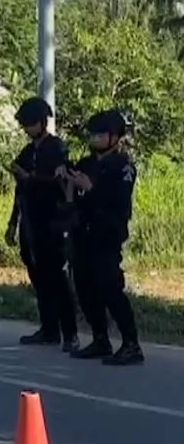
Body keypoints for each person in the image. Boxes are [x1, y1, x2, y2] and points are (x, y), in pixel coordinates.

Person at [62, 109, 144, 366]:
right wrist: (67, 182)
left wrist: (91, 189)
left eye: (100, 134)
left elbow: (118, 201)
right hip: (82, 232)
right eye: (92, 134)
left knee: (110, 288)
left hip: (107, 233)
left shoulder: (123, 167)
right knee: (84, 287)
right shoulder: (86, 163)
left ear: (114, 138)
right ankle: (100, 338)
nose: (94, 138)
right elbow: (72, 194)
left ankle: (131, 344)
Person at [6, 96, 78, 352]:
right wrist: (13, 223)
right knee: (39, 278)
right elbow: (19, 188)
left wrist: (32, 178)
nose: (26, 129)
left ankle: (70, 333)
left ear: (41, 122)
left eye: (29, 123)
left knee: (57, 278)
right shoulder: (27, 152)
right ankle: (49, 329)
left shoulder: (57, 148)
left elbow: (62, 182)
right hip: (31, 223)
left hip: (53, 222)